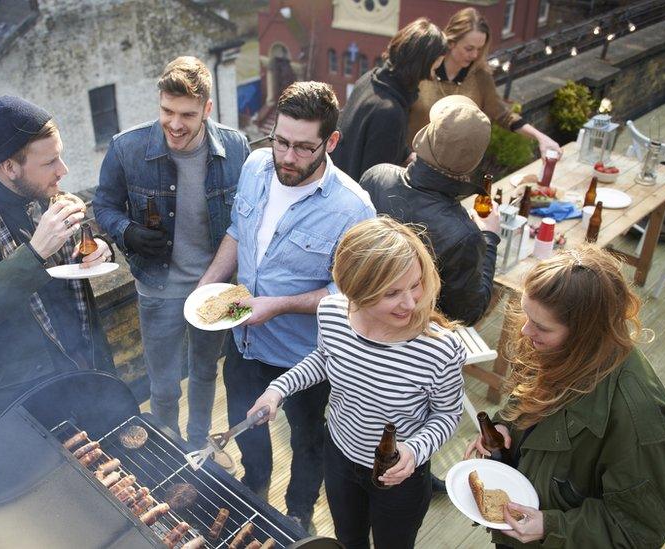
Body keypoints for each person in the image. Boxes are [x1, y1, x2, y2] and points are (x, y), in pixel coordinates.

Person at [199, 81, 376, 531]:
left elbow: (351, 296)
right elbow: (237, 235)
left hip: (307, 358)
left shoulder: (354, 210)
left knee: (309, 441)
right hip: (242, 339)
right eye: (280, 141)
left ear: (330, 142)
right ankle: (253, 488)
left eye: (302, 147)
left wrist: (278, 305)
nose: (287, 157)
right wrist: (205, 287)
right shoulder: (257, 166)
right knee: (245, 423)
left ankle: (299, 513)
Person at [247, 217, 464, 549]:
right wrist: (279, 389)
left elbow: (447, 415)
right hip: (339, 457)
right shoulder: (333, 312)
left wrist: (413, 450)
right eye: (391, 293)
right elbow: (323, 358)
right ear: (356, 291)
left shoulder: (439, 349)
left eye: (416, 284)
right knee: (349, 540)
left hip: (399, 474)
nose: (410, 303)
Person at [465, 246, 665, 548]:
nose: (526, 331)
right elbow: (528, 397)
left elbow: (640, 531)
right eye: (527, 316)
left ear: (586, 333)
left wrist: (551, 526)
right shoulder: (556, 347)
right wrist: (506, 427)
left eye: (541, 326)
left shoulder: (639, 420)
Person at [0, 96, 117, 430]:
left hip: (84, 369)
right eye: (50, 162)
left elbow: (73, 258)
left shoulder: (41, 191)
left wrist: (100, 249)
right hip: (19, 400)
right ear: (10, 167)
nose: (63, 170)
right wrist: (34, 253)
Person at [93, 57, 249, 446]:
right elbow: (103, 207)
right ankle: (168, 448)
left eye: (187, 114)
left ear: (207, 110)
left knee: (205, 373)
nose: (175, 124)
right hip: (156, 289)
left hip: (218, 289)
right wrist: (126, 232)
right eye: (167, 111)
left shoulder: (237, 146)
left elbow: (247, 220)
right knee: (162, 387)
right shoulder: (125, 148)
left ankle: (197, 447)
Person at [363, 94, 500, 327]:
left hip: (360, 313)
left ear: (425, 136)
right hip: (409, 336)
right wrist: (489, 237)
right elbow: (466, 314)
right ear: (473, 162)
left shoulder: (376, 176)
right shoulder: (466, 236)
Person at [408, 8, 560, 159]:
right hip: (411, 163)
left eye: (479, 49)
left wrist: (541, 137)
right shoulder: (423, 70)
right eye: (469, 48)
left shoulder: (480, 77)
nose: (474, 55)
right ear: (451, 42)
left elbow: (504, 115)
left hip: (455, 169)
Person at [333, 18, 447, 180]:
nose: (434, 74)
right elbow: (376, 183)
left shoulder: (370, 79)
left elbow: (373, 141)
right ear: (423, 64)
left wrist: (406, 155)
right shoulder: (390, 112)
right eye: (436, 67)